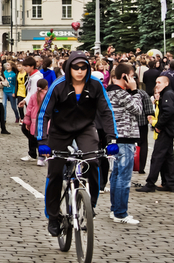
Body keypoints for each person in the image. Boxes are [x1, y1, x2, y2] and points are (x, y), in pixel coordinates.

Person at [36, 52, 118, 237]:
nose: (79, 71)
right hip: (59, 130)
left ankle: (90, 205)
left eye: (83, 68)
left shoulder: (95, 85)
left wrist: (112, 139)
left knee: (94, 161)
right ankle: (53, 216)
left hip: (85, 129)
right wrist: (42, 141)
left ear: (88, 69)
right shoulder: (58, 85)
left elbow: (106, 112)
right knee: (55, 172)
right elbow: (43, 114)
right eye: (76, 68)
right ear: (69, 68)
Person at [105, 63, 142, 224]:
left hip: (116, 138)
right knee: (123, 178)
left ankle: (115, 210)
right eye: (132, 76)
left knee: (116, 175)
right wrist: (134, 90)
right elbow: (138, 110)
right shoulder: (122, 93)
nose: (133, 79)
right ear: (125, 76)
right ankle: (120, 213)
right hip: (125, 138)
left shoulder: (110, 92)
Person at [137, 75, 174, 193]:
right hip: (168, 130)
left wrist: (159, 125)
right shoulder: (166, 94)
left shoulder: (168, 94)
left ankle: (150, 183)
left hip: (165, 130)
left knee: (157, 156)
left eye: (159, 82)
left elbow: (168, 111)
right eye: (156, 82)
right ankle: (169, 182)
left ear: (166, 84)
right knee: (168, 157)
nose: (157, 84)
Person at [21, 79, 48, 165]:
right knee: (43, 140)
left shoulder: (33, 96)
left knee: (32, 138)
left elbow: (28, 110)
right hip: (45, 122)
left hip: (34, 121)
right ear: (46, 86)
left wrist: (27, 122)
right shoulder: (48, 96)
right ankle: (41, 158)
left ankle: (33, 153)